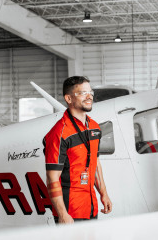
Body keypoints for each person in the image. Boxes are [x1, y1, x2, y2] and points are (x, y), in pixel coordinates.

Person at [43, 76, 112, 224]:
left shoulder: (94, 127)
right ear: (68, 98)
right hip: (70, 212)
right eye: (82, 93)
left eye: (90, 92)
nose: (89, 97)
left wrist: (103, 194)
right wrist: (62, 214)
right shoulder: (59, 133)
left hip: (91, 207)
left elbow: (95, 162)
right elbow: (52, 178)